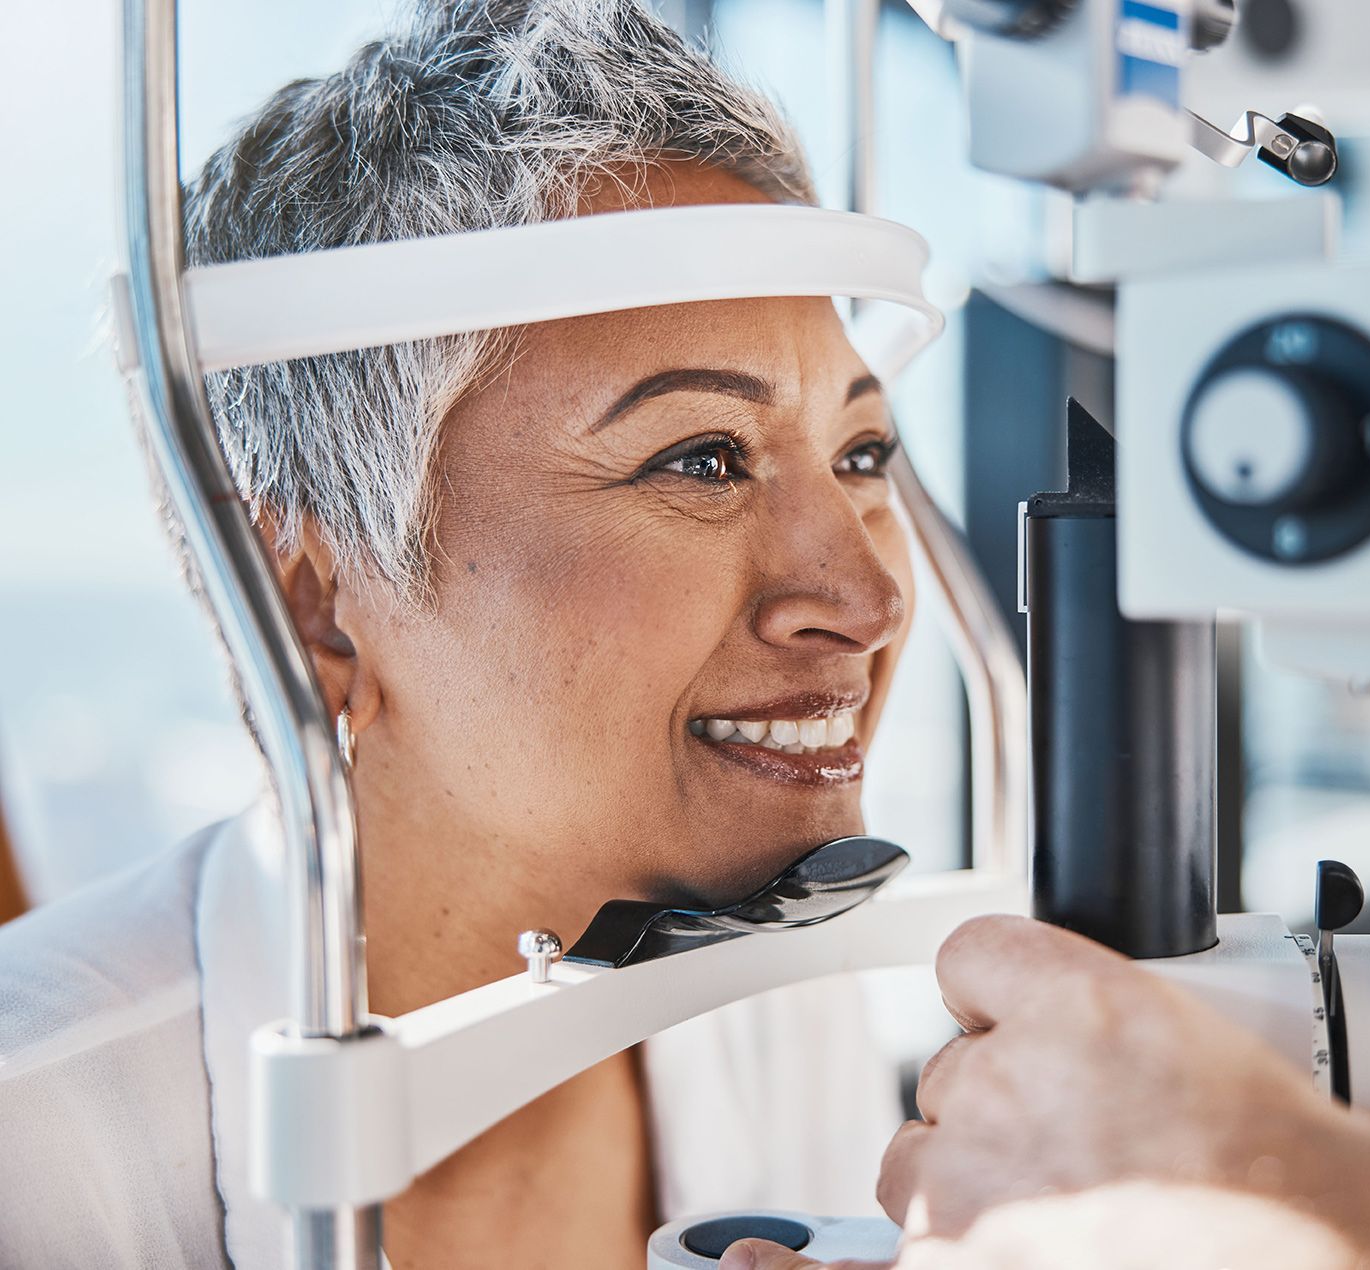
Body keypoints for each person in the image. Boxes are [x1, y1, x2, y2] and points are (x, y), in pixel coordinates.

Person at [0, 3, 908, 1266]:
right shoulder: (30, 1146)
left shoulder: (776, 1017)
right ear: (312, 609)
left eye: (863, 452)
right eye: (702, 458)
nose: (866, 599)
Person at [726, 915, 1370, 1270]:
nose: (880, 602)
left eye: (863, 471)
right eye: (702, 471)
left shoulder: (783, 1027)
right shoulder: (772, 1019)